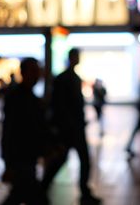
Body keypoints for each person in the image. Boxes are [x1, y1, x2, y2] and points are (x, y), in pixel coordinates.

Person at [42, 48, 101, 205]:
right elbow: (60, 105)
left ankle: (44, 188)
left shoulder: (70, 77)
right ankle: (44, 188)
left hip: (72, 127)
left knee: (69, 159)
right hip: (70, 128)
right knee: (68, 159)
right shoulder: (66, 78)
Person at [2, 57, 49, 205]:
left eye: (37, 71)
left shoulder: (30, 98)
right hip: (21, 157)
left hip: (27, 157)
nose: (37, 75)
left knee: (22, 194)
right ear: (23, 73)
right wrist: (8, 162)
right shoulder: (18, 98)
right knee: (30, 195)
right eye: (33, 71)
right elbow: (9, 130)